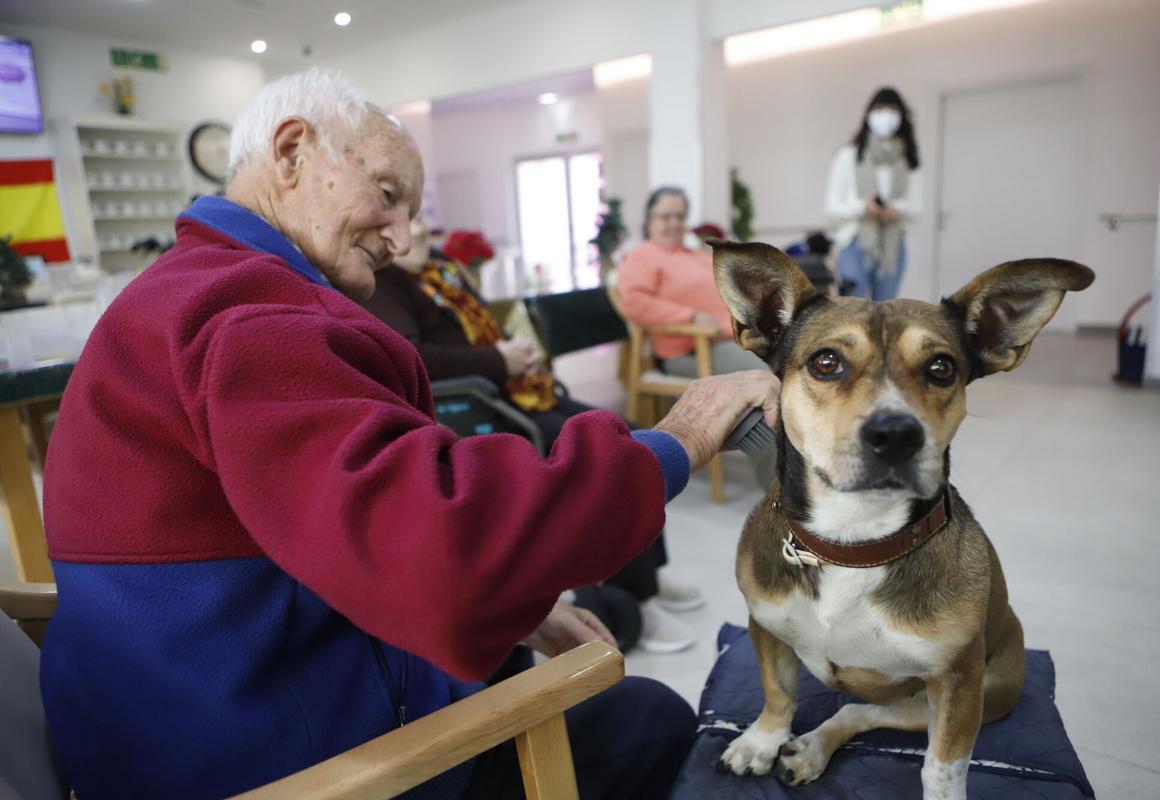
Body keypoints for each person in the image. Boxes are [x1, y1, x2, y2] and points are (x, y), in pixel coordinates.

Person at [38, 68, 779, 800]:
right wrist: (678, 438)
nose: (401, 237)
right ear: (292, 152)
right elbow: (442, 555)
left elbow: (315, 524)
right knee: (648, 717)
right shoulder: (250, 316)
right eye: (387, 196)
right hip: (275, 762)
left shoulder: (194, 287)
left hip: (202, 705)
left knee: (578, 628)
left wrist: (524, 607)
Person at [360, 215, 704, 654]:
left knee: (631, 435)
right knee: (605, 459)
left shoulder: (441, 268)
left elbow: (485, 323)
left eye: (422, 216)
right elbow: (417, 359)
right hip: (481, 404)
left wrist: (515, 349)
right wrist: (499, 361)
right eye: (405, 216)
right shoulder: (386, 284)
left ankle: (647, 576)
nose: (422, 230)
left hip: (519, 390)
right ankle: (638, 596)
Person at [616, 186, 765, 378]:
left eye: (680, 217)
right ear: (649, 220)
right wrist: (691, 316)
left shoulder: (695, 255)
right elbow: (634, 303)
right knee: (778, 371)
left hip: (738, 337)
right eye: (665, 217)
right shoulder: (641, 256)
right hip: (696, 350)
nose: (674, 223)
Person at [824, 86, 922, 301]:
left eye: (892, 110)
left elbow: (916, 207)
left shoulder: (908, 160)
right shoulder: (848, 156)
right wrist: (862, 208)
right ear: (868, 113)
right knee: (852, 310)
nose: (885, 117)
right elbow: (831, 207)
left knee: (887, 311)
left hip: (892, 244)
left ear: (902, 116)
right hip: (854, 240)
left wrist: (896, 211)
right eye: (879, 109)